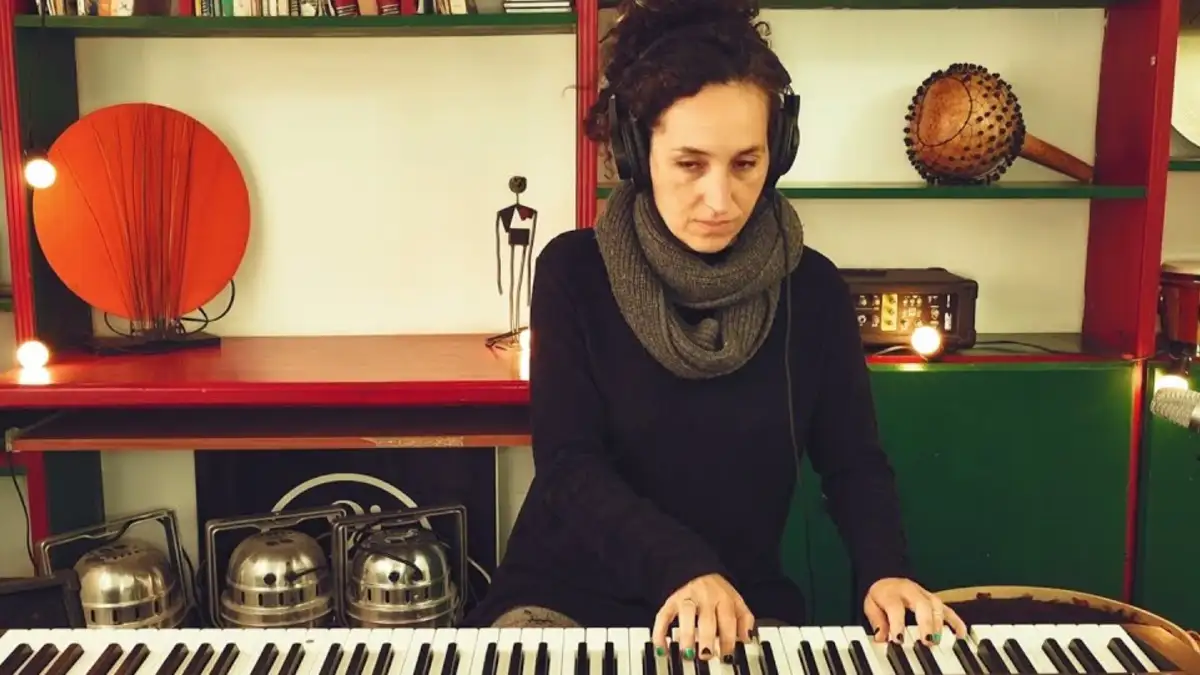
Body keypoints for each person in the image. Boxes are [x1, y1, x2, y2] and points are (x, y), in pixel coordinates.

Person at [463, 0, 968, 661]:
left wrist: (886, 572)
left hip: (737, 604)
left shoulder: (813, 289)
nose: (721, 199)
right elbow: (568, 465)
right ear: (636, 151)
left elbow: (853, 463)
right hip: (568, 598)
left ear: (778, 154)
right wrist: (683, 566)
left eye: (746, 163)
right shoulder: (574, 272)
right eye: (690, 164)